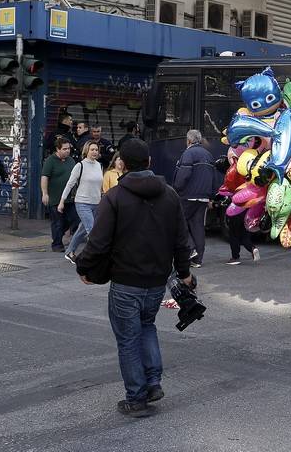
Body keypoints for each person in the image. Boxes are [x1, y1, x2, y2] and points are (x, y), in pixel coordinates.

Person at [75, 139, 193, 418]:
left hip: (126, 281)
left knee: (128, 338)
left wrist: (84, 268)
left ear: (122, 165)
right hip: (156, 281)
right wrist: (185, 272)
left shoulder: (114, 197)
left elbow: (98, 242)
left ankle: (136, 397)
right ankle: (152, 382)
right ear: (149, 163)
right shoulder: (169, 195)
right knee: (147, 326)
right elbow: (181, 240)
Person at [173, 130, 216, 267]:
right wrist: (211, 196)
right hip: (203, 197)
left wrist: (176, 189)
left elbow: (183, 175)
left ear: (189, 141)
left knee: (178, 222)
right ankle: (197, 260)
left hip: (188, 196)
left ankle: (190, 250)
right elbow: (214, 178)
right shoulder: (208, 155)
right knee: (198, 227)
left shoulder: (188, 153)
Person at [59, 141, 104, 264]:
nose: (94, 152)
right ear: (86, 151)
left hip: (96, 203)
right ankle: (93, 257)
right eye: (92, 150)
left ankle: (70, 252)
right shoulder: (80, 165)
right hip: (82, 202)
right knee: (92, 230)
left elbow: (100, 186)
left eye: (96, 150)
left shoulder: (99, 166)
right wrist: (62, 201)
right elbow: (70, 184)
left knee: (82, 230)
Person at [41, 136, 80, 253]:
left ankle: (63, 233)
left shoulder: (71, 161)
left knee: (75, 218)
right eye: (64, 149)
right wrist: (45, 194)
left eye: (68, 149)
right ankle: (57, 244)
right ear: (57, 149)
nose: (67, 151)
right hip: (55, 198)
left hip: (69, 198)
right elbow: (44, 177)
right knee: (57, 222)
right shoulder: (50, 161)